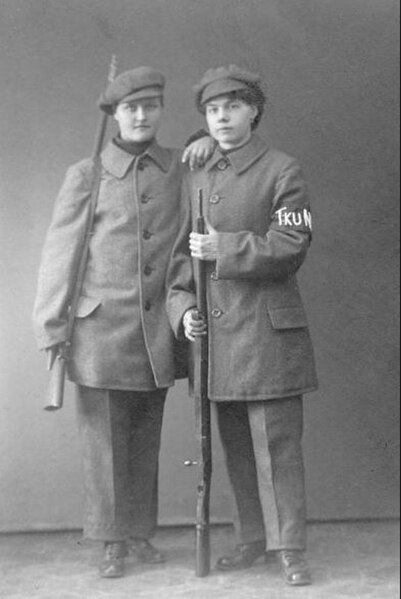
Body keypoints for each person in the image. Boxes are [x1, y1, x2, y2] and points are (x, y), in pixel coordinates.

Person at [32, 66, 213, 578]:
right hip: (99, 332)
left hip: (157, 330)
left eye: (150, 106)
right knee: (105, 443)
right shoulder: (86, 174)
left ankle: (138, 533)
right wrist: (52, 326)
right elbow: (60, 254)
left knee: (144, 436)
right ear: (114, 114)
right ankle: (111, 539)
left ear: (160, 110)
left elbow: (217, 164)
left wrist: (202, 138)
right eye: (130, 107)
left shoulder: (179, 165)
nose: (140, 115)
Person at [166, 65, 318, 587]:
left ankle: (289, 548)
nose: (222, 118)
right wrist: (183, 308)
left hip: (269, 334)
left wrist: (224, 247)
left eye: (232, 107)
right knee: (234, 448)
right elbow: (180, 257)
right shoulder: (198, 173)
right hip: (217, 338)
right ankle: (253, 538)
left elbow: (292, 244)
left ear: (254, 110)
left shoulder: (282, 169)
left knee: (277, 446)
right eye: (212, 111)